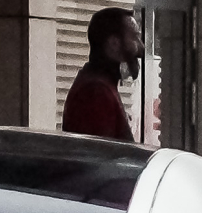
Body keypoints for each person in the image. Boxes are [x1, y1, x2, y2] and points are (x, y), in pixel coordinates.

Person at [61, 7, 142, 140]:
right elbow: (102, 155)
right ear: (114, 43)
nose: (140, 47)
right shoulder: (96, 91)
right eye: (134, 37)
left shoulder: (98, 84)